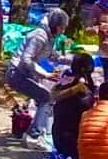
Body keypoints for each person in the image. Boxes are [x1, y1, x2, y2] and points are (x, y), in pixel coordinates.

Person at [6, 8, 70, 151]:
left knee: (45, 98)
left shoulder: (49, 37)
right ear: (55, 26)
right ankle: (34, 136)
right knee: (46, 98)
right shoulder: (39, 36)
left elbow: (53, 56)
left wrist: (73, 60)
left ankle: (36, 131)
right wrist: (45, 74)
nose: (63, 31)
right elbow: (26, 59)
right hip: (17, 73)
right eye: (62, 27)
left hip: (26, 73)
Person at [52, 53, 96, 159]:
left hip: (59, 140)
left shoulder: (67, 80)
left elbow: (53, 94)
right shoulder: (83, 88)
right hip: (72, 144)